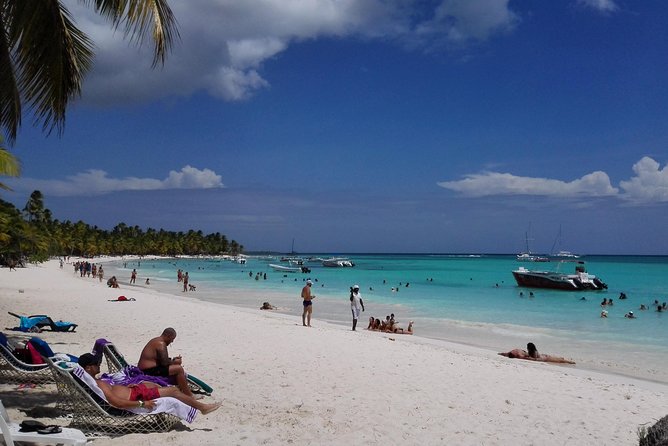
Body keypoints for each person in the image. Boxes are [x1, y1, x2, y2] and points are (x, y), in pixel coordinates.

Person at [78, 353, 219, 414]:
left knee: (153, 385)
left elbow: (114, 393)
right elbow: (117, 402)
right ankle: (202, 408)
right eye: (96, 364)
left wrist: (124, 388)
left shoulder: (94, 381)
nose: (99, 365)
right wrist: (142, 404)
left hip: (132, 391)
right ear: (88, 368)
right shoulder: (98, 384)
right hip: (135, 397)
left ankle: (189, 403)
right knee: (173, 391)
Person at [138, 328, 195, 397]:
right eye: (172, 339)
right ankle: (189, 395)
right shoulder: (161, 343)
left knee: (175, 367)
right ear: (168, 336)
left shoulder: (156, 340)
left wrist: (173, 360)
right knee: (178, 369)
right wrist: (175, 362)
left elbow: (161, 359)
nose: (172, 341)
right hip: (148, 370)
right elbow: (164, 363)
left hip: (148, 368)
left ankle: (182, 389)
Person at [499, 342, 575, 364]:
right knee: (559, 359)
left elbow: (535, 359)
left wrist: (528, 358)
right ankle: (568, 360)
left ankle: (570, 361)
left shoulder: (534, 352)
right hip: (543, 357)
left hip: (545, 358)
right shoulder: (531, 351)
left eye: (527, 347)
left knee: (560, 360)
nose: (526, 348)